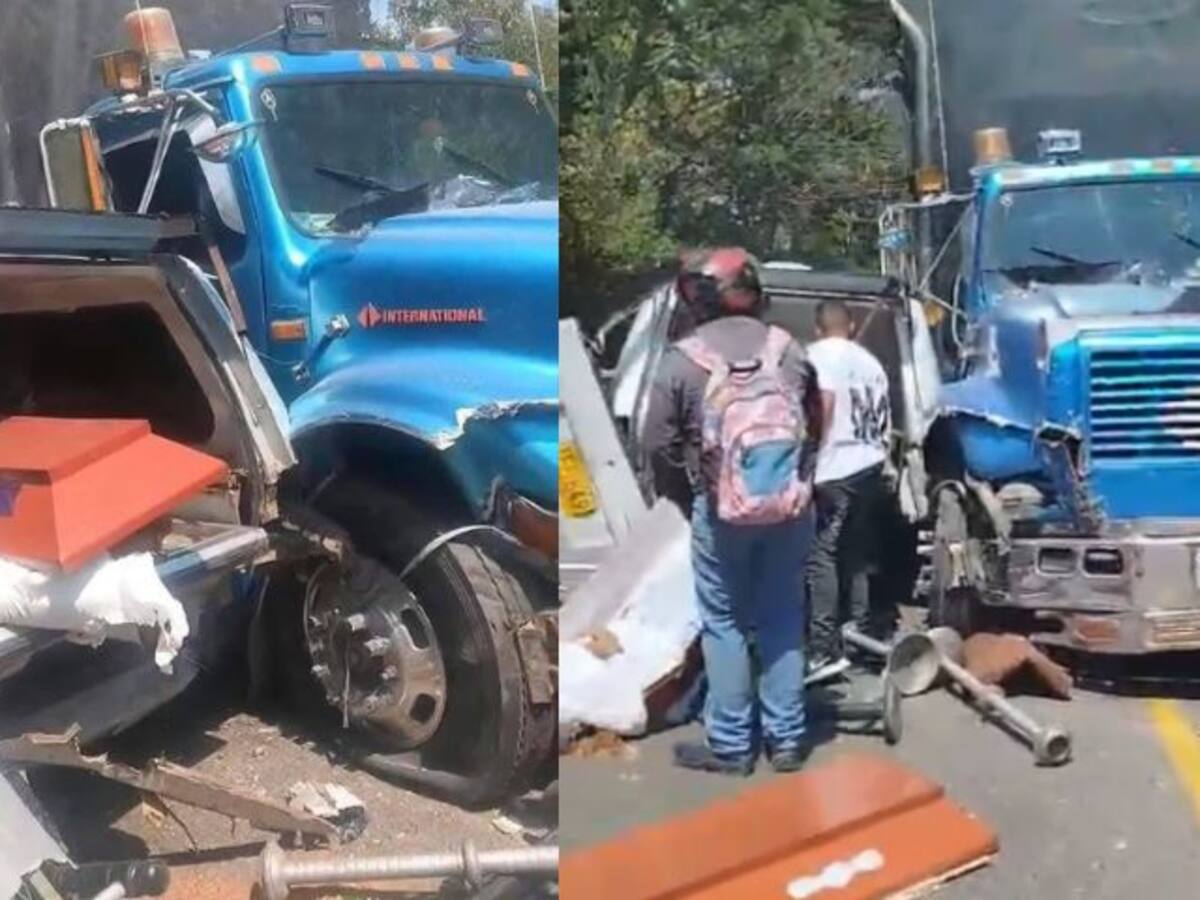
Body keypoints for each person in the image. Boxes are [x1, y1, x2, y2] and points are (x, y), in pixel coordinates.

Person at [642, 248, 821, 776]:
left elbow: (654, 441)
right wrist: (801, 480)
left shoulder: (683, 359)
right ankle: (787, 741)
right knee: (783, 618)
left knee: (723, 623)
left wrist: (685, 487)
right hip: (789, 509)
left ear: (696, 299)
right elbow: (815, 423)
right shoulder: (789, 350)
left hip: (721, 510)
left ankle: (731, 744)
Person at [805, 299, 892, 679]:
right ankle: (859, 636)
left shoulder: (817, 356)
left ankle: (822, 648)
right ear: (852, 326)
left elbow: (822, 404)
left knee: (820, 555)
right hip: (870, 465)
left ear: (818, 329)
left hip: (834, 466)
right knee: (856, 554)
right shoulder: (872, 364)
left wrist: (806, 456)